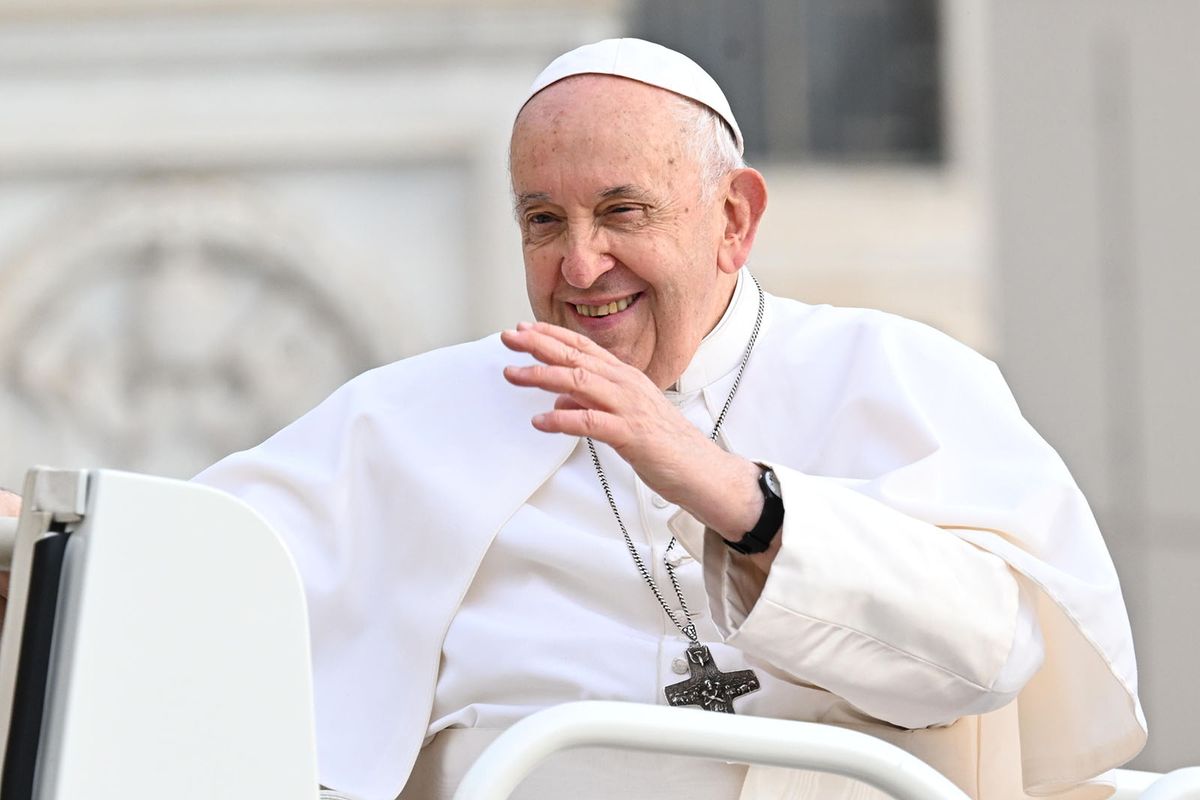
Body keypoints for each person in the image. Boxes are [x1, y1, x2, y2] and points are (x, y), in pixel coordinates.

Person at [2, 39, 1144, 800]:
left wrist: (734, 495)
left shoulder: (891, 373)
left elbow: (990, 651)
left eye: (623, 211)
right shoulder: (421, 414)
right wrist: (29, 543)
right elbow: (200, 564)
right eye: (543, 219)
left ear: (733, 219)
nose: (580, 262)